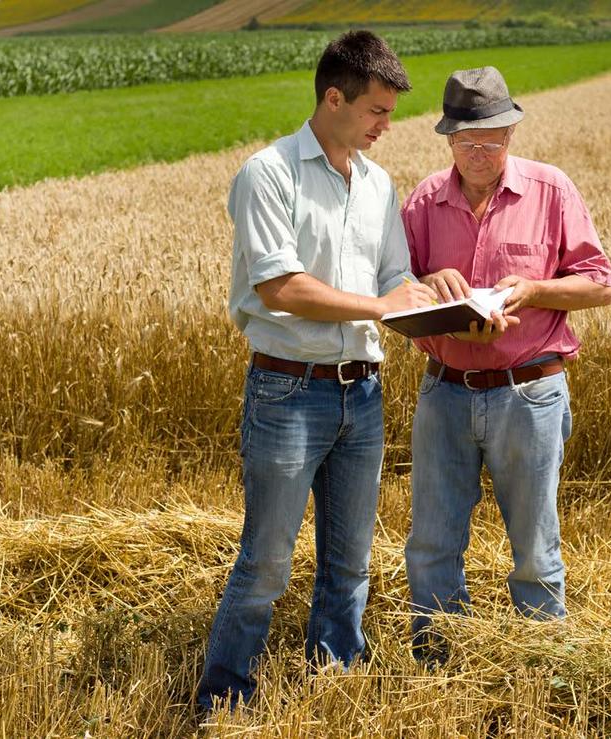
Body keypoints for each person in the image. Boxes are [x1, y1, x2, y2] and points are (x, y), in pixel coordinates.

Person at [197, 31, 437, 710]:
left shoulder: (378, 183)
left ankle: (333, 676)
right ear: (333, 97)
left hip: (362, 391)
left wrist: (427, 298)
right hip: (286, 390)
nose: (387, 125)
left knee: (349, 559)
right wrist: (381, 305)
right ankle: (225, 695)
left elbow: (392, 274)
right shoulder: (266, 173)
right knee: (268, 559)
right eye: (376, 111)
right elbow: (281, 288)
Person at [400, 66, 611, 656]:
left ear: (511, 133)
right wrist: (426, 279)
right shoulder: (422, 201)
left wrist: (533, 289)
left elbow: (600, 285)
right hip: (444, 391)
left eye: (491, 139)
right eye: (467, 140)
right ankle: (439, 662)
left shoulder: (551, 191)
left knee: (535, 544)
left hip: (530, 392)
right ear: (448, 139)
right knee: (432, 541)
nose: (479, 152)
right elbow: (391, 287)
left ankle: (540, 669)